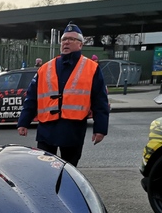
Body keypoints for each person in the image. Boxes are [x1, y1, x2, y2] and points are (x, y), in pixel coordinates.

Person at [16, 22, 109, 167]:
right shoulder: (45, 68)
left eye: (71, 39)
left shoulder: (91, 68)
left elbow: (100, 100)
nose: (66, 42)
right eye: (64, 39)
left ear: (80, 45)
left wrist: (100, 129)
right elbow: (32, 97)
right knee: (44, 168)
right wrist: (23, 122)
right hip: (47, 129)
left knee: (69, 169)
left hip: (73, 129)